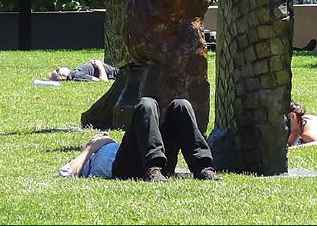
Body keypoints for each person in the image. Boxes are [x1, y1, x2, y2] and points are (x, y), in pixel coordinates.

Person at [59, 97, 219, 181]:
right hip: (125, 167)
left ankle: (203, 168)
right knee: (146, 103)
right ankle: (152, 168)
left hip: (155, 157)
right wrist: (90, 147)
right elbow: (66, 173)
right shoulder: (86, 157)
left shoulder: (120, 144)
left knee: (180, 105)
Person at [49, 59, 118, 82]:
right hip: (117, 73)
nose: (59, 67)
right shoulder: (75, 75)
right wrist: (100, 65)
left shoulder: (75, 72)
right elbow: (102, 81)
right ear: (62, 76)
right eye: (57, 70)